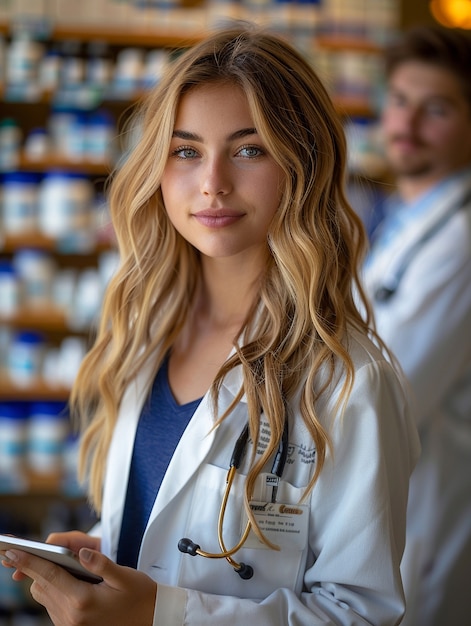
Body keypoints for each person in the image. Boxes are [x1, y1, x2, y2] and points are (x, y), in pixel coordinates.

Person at [1, 24, 419, 625]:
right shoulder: (147, 331)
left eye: (250, 149)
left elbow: (360, 612)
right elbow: (169, 521)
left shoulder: (347, 379)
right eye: (186, 149)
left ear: (302, 165)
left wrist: (161, 613)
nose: (212, 183)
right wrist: (106, 558)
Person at [362, 25, 471, 626]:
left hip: (433, 509)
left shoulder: (460, 243)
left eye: (437, 110)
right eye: (400, 101)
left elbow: (391, 397)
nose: (406, 125)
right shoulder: (408, 218)